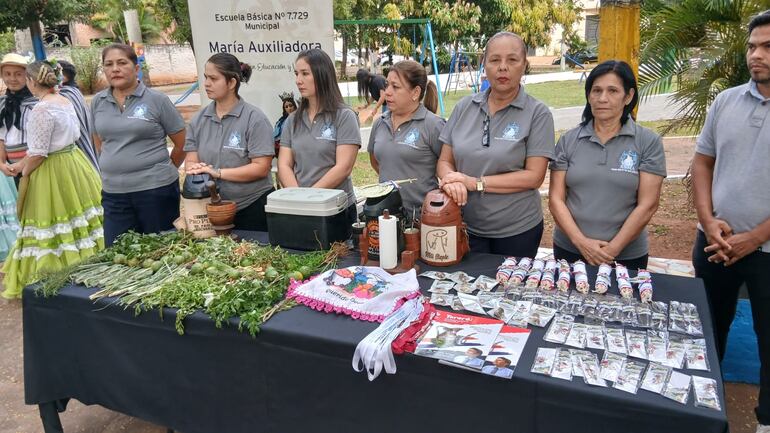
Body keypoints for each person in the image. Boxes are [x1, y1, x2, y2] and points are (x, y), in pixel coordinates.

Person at [691, 10, 770, 433]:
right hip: (715, 242)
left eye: (767, 47)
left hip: (765, 251)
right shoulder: (726, 101)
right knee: (706, 332)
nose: (756, 55)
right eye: (752, 46)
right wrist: (708, 219)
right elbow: (703, 162)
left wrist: (754, 238)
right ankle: (707, 413)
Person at [437, 32, 555, 257]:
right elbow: (445, 160)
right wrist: (451, 181)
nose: (503, 67)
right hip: (465, 226)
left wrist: (474, 183)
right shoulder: (464, 107)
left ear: (524, 66)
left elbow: (534, 177)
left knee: (510, 290)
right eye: (494, 60)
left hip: (517, 231)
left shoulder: (537, 114)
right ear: (484, 65)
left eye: (512, 60)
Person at [548, 60, 666, 269]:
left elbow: (648, 204)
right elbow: (556, 199)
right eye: (596, 90)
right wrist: (581, 243)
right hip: (570, 250)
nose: (603, 98)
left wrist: (611, 251)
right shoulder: (568, 140)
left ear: (628, 96)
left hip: (626, 256)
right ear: (588, 95)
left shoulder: (647, 141)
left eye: (612, 91)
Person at [1, 61, 103, 299]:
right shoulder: (65, 101)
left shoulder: (42, 108)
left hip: (52, 170)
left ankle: (59, 272)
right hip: (74, 163)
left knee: (49, 220)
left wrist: (22, 171)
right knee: (80, 217)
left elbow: (38, 153)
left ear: (32, 81)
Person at [91, 43, 186, 246]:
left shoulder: (157, 100)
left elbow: (182, 143)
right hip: (113, 194)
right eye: (109, 64)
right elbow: (99, 141)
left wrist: (165, 169)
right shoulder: (98, 102)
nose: (115, 69)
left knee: (161, 252)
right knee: (116, 254)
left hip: (155, 191)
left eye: (122, 63)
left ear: (136, 68)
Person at [184, 53, 275, 231]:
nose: (206, 84)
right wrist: (194, 168)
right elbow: (191, 160)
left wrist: (217, 172)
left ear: (232, 83)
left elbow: (261, 167)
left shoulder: (254, 119)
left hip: (251, 207)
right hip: (211, 210)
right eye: (205, 77)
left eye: (213, 78)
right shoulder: (199, 120)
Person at [278, 48, 361, 223]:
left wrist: (310, 198)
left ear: (322, 75)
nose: (298, 80)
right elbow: (284, 164)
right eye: (296, 74)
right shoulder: (292, 120)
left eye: (305, 74)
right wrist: (298, 198)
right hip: (300, 208)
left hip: (336, 210)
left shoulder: (345, 116)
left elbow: (343, 167)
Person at [368, 60, 445, 216]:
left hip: (424, 220)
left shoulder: (433, 125)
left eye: (395, 87)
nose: (387, 92)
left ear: (415, 93)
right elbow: (376, 162)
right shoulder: (380, 123)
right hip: (386, 217)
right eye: (387, 84)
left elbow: (450, 166)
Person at [0, 53, 37, 179]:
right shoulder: (3, 104)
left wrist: (23, 164)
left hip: (35, 165)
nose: (12, 79)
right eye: (7, 74)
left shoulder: (36, 104)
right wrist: (1, 164)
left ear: (27, 76)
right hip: (11, 168)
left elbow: (42, 141)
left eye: (18, 74)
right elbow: (1, 137)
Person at [57, 61, 99, 171]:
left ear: (63, 77)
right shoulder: (74, 90)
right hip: (85, 136)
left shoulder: (65, 94)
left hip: (78, 142)